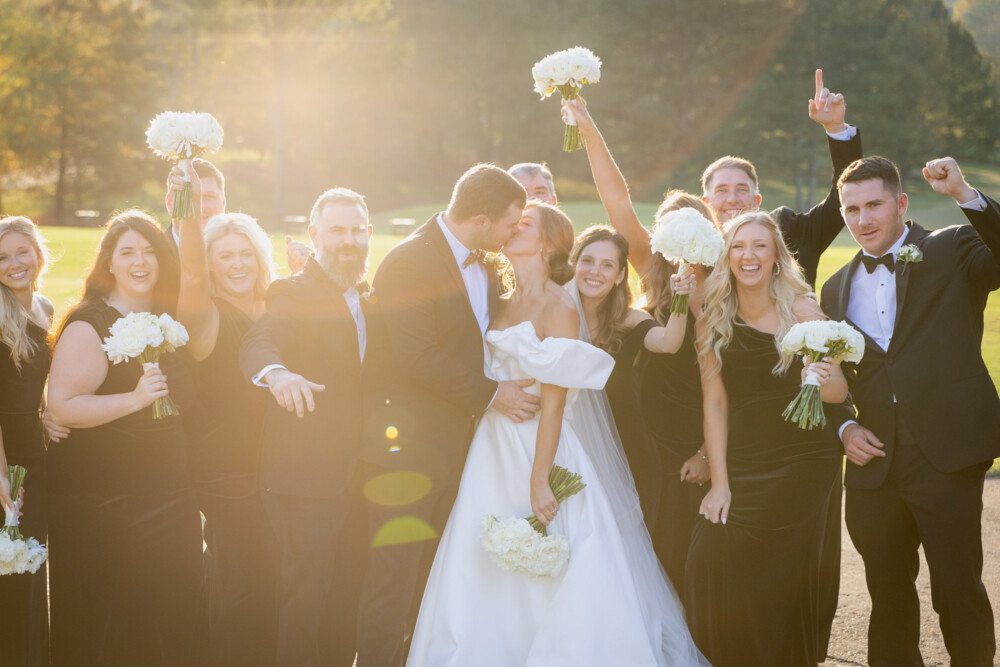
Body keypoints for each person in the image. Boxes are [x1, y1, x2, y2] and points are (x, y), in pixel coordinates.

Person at [406, 197, 708, 667]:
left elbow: (554, 402)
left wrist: (540, 476)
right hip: (492, 448)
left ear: (547, 243)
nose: (510, 228)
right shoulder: (495, 298)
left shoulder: (559, 306)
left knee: (558, 558)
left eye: (523, 224)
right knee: (480, 558)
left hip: (540, 450)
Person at [821, 156, 999, 667]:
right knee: (887, 596)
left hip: (945, 452)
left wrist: (965, 194)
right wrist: (845, 426)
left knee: (956, 589)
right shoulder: (835, 289)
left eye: (874, 204)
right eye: (851, 209)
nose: (863, 219)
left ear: (900, 204)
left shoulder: (951, 247)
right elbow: (826, 378)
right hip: (873, 463)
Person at [359, 164, 538, 667]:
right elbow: (417, 357)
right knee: (392, 578)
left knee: (432, 579)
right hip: (406, 454)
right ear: (481, 220)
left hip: (459, 451)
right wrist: (493, 395)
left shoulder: (483, 263)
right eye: (510, 222)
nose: (514, 231)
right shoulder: (408, 263)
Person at [563, 97, 720, 591]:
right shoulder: (651, 267)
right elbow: (616, 199)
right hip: (642, 421)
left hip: (697, 417)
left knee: (687, 540)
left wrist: (707, 451)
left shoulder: (723, 282)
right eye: (668, 223)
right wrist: (588, 129)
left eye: (688, 223)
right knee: (640, 528)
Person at [688, 211, 847, 666]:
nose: (749, 255)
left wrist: (812, 375)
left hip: (804, 461)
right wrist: (720, 482)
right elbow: (714, 404)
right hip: (745, 457)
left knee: (782, 578)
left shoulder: (802, 310)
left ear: (777, 254)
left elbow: (838, 392)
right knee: (708, 561)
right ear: (727, 255)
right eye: (738, 246)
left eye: (760, 245)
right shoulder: (713, 316)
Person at [46, 210, 202, 667]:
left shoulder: (166, 320)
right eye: (127, 252)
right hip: (103, 504)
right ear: (108, 263)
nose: (140, 261)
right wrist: (134, 399)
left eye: (150, 251)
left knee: (170, 620)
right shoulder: (88, 322)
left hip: (170, 497)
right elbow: (64, 406)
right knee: (111, 623)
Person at [239, 187, 372, 667]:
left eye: (357, 230)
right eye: (337, 230)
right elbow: (261, 340)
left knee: (346, 601)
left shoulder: (373, 297)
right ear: (315, 235)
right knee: (304, 603)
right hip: (304, 480)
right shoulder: (292, 292)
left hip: (362, 477)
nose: (348, 240)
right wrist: (277, 373)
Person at [172, 168, 277, 667]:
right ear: (211, 267)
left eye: (245, 255)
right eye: (225, 257)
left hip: (279, 470)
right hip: (226, 476)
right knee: (238, 588)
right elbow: (189, 272)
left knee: (274, 586)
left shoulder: (277, 308)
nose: (238, 265)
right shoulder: (206, 313)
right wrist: (186, 209)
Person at [568, 223, 694, 530]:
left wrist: (680, 298)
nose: (595, 272)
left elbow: (669, 343)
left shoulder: (630, 319)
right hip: (569, 449)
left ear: (621, 275)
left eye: (607, 265)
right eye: (587, 261)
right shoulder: (556, 313)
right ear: (574, 264)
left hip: (627, 451)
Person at [697, 69, 861, 287]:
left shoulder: (790, 231)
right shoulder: (693, 250)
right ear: (705, 204)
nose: (732, 198)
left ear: (757, 201)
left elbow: (845, 197)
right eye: (722, 190)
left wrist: (835, 129)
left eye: (742, 189)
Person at [0, 217, 54, 667]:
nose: (14, 264)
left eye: (22, 252)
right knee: (10, 564)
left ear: (38, 254)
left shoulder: (46, 308)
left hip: (38, 454)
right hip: (5, 456)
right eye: (2, 257)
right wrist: (0, 471)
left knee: (33, 561)